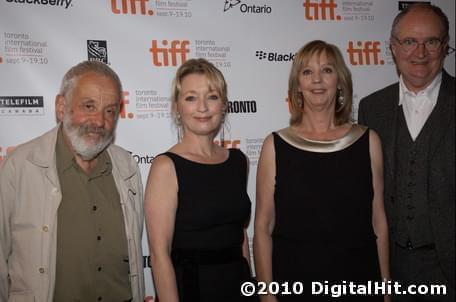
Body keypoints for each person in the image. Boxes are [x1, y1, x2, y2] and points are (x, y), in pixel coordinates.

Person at [254, 40, 389, 302]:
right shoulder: (275, 145)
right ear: (297, 85)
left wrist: (385, 291)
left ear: (340, 80)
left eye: (327, 70)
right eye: (307, 72)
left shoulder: (369, 141)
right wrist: (267, 296)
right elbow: (262, 226)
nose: (317, 80)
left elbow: (379, 222)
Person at [0, 60, 145, 302]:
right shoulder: (20, 166)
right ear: (61, 106)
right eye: (89, 106)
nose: (99, 121)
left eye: (109, 110)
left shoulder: (127, 167)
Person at [358, 3, 455, 301]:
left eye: (432, 41)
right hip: (390, 270)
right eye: (410, 41)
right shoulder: (371, 108)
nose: (420, 52)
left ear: (445, 46)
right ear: (393, 48)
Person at [145, 58, 255, 302]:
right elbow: (159, 254)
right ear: (177, 107)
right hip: (194, 289)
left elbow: (240, 236)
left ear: (224, 105)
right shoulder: (166, 166)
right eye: (191, 98)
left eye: (212, 96)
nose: (203, 107)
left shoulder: (238, 161)